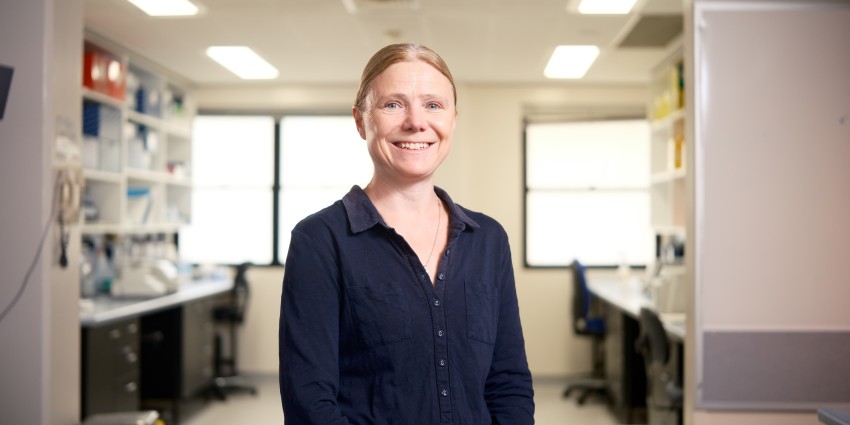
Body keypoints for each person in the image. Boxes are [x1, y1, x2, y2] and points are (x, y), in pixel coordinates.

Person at [279, 43, 534, 425]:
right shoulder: (320, 240)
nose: (416, 122)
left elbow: (508, 381)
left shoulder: (489, 240)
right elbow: (309, 402)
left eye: (433, 105)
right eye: (393, 104)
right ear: (361, 121)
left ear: (453, 119)